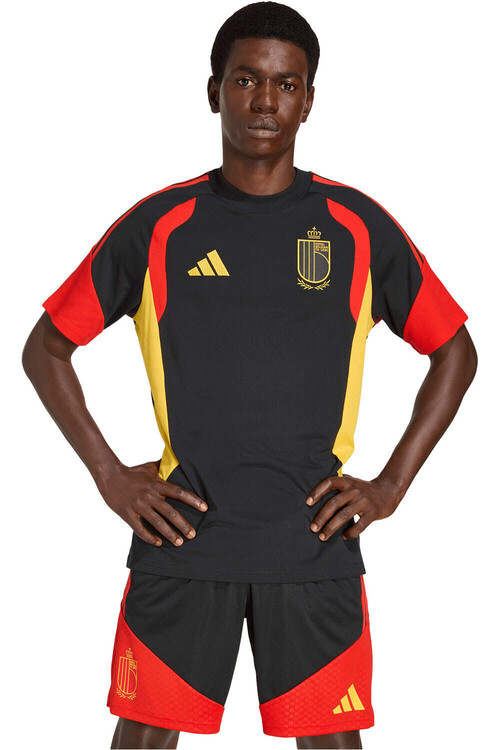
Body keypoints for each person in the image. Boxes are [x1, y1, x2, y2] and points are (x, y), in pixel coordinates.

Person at [22, 2, 477, 748]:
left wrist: (391, 485)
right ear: (214, 91)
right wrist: (108, 475)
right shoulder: (160, 225)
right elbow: (45, 347)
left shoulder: (355, 226)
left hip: (312, 547)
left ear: (309, 100)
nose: (266, 101)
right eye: (246, 80)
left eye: (286, 84)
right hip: (183, 543)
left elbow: (455, 351)